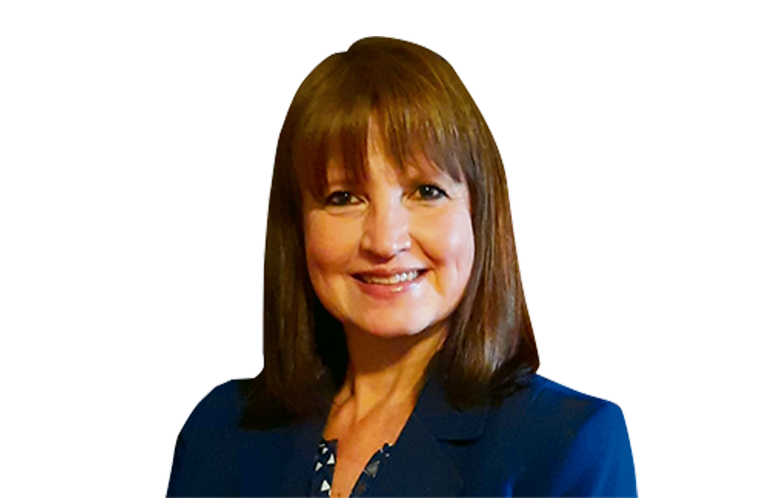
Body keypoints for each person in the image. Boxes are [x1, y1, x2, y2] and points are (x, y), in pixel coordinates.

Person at [166, 36, 638, 497]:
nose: (385, 241)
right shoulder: (218, 432)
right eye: (343, 197)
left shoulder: (568, 445)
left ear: (479, 214)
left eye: (426, 191)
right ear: (298, 227)